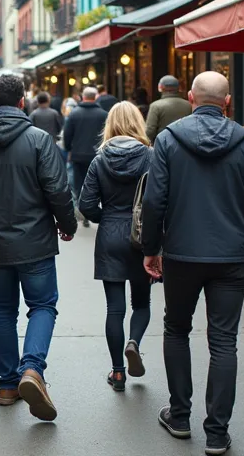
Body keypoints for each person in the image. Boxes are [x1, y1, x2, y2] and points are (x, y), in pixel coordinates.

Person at [141, 71, 244, 455]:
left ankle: (181, 416)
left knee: (176, 329)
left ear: (190, 98)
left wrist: (151, 247)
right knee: (223, 341)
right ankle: (217, 433)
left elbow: (154, 201)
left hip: (183, 253)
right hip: (232, 256)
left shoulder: (168, 140)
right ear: (228, 102)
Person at [0, 73, 78, 421]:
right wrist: (67, 225)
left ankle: (8, 384)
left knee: (4, 309)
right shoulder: (39, 140)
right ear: (22, 101)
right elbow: (58, 189)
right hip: (36, 241)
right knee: (42, 305)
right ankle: (32, 368)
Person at [77, 102, 152, 393]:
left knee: (114, 308)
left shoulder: (100, 160)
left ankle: (118, 372)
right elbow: (160, 199)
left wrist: (104, 217)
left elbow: (85, 205)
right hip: (141, 237)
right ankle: (134, 342)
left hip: (110, 234)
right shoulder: (150, 156)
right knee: (142, 303)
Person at [63, 87, 108, 227]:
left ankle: (82, 211)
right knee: (98, 183)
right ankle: (95, 209)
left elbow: (67, 134)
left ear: (83, 97)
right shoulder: (103, 114)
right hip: (97, 155)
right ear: (95, 97)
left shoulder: (74, 114)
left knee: (79, 183)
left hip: (78, 155)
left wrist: (69, 149)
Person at [145, 75, 193, 140]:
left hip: (162, 145)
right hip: (185, 144)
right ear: (179, 88)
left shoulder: (155, 106)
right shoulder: (189, 105)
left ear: (160, 87)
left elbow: (150, 132)